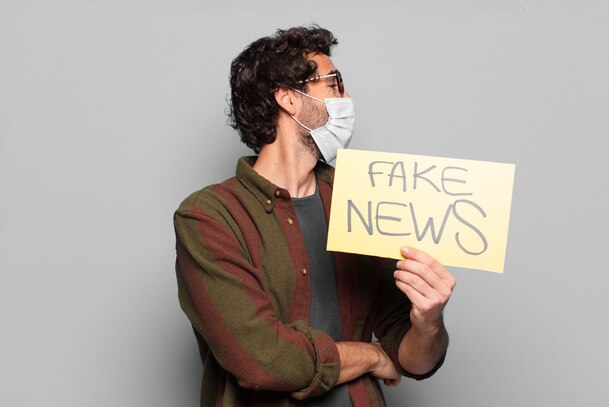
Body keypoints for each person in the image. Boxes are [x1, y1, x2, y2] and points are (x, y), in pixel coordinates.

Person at [174, 25, 455, 407]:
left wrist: (429, 320)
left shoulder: (363, 201)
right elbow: (263, 360)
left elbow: (411, 359)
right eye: (335, 83)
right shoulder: (208, 218)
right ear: (289, 99)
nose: (348, 97)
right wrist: (370, 355)